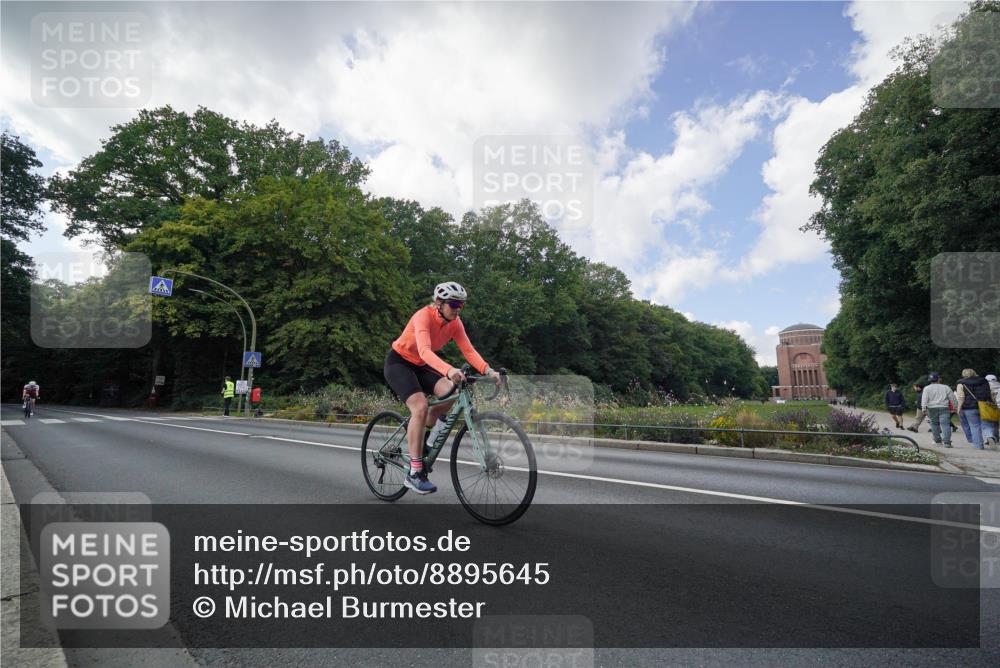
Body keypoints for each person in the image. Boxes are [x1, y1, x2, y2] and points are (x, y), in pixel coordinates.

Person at [383, 282, 500, 495]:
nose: (457, 309)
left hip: (421, 366)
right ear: (438, 302)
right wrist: (449, 370)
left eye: (461, 305)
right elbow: (425, 351)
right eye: (454, 303)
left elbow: (469, 351)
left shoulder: (455, 323)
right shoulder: (423, 316)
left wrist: (488, 370)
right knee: (419, 407)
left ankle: (425, 433)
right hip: (399, 362)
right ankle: (414, 473)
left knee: (453, 394)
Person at [955, 368, 990, 450]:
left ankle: (978, 446)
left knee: (974, 426)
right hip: (983, 405)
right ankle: (990, 436)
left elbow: (961, 397)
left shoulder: (961, 383)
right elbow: (988, 393)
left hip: (969, 408)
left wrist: (959, 408)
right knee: (986, 423)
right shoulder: (983, 381)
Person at [922, 373, 958, 448]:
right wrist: (955, 407)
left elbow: (924, 399)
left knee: (934, 424)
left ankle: (937, 441)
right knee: (945, 425)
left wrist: (924, 409)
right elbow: (953, 398)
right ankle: (947, 442)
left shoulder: (927, 388)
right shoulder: (946, 387)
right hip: (944, 407)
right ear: (938, 379)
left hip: (932, 408)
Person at [979, 373, 999, 448]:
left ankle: (990, 438)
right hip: (997, 407)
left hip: (989, 406)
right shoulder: (999, 386)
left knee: (988, 423)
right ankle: (996, 438)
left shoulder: (986, 387)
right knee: (996, 424)